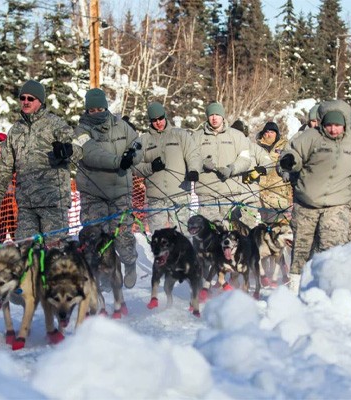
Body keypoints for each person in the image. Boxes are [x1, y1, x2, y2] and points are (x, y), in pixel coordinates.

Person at [279, 100, 351, 295]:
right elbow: (292, 152)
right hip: (306, 203)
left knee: (332, 250)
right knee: (302, 248)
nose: (333, 130)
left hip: (337, 205)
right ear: (322, 124)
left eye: (337, 125)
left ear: (345, 124)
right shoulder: (311, 137)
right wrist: (289, 161)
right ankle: (295, 289)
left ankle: (328, 291)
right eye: (329, 125)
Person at [0, 80, 80, 245]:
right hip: (26, 205)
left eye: (31, 98)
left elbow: (79, 148)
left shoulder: (55, 124)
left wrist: (68, 150)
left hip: (53, 202)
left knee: (56, 255)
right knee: (27, 253)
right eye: (23, 97)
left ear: (40, 101)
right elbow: (4, 168)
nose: (25, 101)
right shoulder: (15, 130)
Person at [75, 88, 141, 288]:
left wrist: (132, 155)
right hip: (93, 194)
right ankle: (103, 274)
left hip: (120, 192)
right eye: (92, 110)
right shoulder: (81, 131)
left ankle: (129, 264)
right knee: (96, 237)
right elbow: (90, 153)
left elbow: (137, 144)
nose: (97, 112)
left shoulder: (122, 126)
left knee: (122, 236)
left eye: (100, 108)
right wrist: (118, 161)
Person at [133, 102, 201, 233]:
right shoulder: (142, 141)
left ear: (165, 116)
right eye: (154, 120)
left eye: (160, 118)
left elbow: (193, 155)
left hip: (180, 195)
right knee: (159, 240)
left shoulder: (180, 135)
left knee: (184, 236)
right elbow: (135, 167)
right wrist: (151, 167)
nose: (158, 122)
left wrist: (194, 170)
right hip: (155, 199)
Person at [194, 102, 251, 226]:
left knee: (231, 234)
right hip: (206, 195)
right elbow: (188, 159)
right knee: (209, 235)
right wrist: (201, 164)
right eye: (211, 115)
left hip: (230, 194)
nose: (214, 118)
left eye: (217, 115)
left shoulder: (237, 136)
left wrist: (232, 169)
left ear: (223, 116)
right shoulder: (196, 137)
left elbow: (245, 159)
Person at [256, 122, 292, 224]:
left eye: (272, 132)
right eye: (266, 132)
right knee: (263, 226)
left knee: (279, 225)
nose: (269, 134)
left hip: (278, 192)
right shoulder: (257, 147)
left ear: (277, 134)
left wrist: (286, 170)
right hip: (260, 193)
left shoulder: (285, 146)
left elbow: (289, 161)